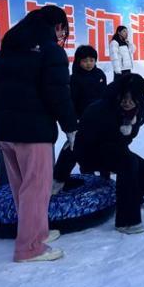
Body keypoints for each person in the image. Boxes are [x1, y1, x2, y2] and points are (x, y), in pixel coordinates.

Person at [0, 6, 78, 262]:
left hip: (5, 131)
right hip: (33, 132)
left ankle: (36, 232)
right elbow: (58, 93)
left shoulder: (8, 50)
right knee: (36, 189)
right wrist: (70, 126)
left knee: (20, 187)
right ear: (58, 26)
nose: (62, 35)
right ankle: (30, 247)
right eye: (63, 30)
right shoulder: (51, 51)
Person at [75, 74, 144, 234]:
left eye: (132, 98)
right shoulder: (100, 109)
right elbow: (76, 143)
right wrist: (60, 176)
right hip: (90, 152)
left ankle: (133, 197)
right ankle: (126, 221)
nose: (127, 102)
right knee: (128, 163)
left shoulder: (141, 108)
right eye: (124, 97)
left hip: (116, 146)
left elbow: (126, 138)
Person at [52, 45, 107, 189]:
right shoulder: (74, 79)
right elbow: (71, 102)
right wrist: (74, 120)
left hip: (100, 119)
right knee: (74, 147)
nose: (89, 63)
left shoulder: (100, 74)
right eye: (85, 61)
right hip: (82, 120)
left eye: (91, 60)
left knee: (101, 146)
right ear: (78, 61)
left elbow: (105, 97)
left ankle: (103, 173)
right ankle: (60, 177)